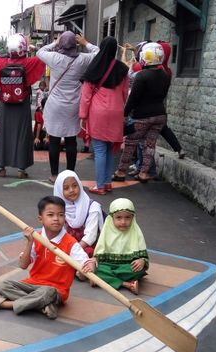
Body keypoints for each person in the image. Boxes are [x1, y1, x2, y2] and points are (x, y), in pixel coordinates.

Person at [0, 196, 96, 320]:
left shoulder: (71, 243)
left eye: (61, 215)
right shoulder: (37, 237)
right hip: (32, 285)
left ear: (65, 218)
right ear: (40, 219)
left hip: (55, 290)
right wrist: (30, 242)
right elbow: (23, 265)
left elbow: (85, 262)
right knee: (2, 286)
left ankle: (8, 304)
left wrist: (90, 265)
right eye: (51, 215)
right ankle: (43, 306)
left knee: (48, 293)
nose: (56, 219)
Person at [37, 31, 99, 183]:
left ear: (61, 44)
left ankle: (54, 175)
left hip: (55, 105)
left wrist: (55, 43)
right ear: (75, 44)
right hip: (73, 104)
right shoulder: (83, 59)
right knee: (71, 140)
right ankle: (71, 175)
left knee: (54, 140)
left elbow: (40, 51)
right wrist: (85, 43)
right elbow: (98, 52)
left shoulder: (54, 58)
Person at [0, 34, 46, 178]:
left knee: (3, 134)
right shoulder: (29, 63)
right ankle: (21, 169)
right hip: (22, 103)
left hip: (6, 104)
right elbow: (43, 58)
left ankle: (2, 167)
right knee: (22, 134)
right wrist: (35, 48)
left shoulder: (0, 63)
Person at [78, 36, 129, 195]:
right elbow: (124, 93)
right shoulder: (122, 69)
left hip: (98, 112)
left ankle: (99, 186)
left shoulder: (95, 67)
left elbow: (86, 95)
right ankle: (107, 183)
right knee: (109, 149)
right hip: (116, 111)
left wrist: (83, 115)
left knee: (99, 149)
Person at [114, 42, 170, 183]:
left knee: (131, 143)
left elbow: (133, 98)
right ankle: (144, 173)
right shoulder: (165, 75)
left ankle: (121, 172)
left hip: (142, 116)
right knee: (150, 145)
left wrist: (125, 114)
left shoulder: (142, 76)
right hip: (160, 114)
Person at [93, 198, 148, 295]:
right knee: (96, 268)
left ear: (133, 218)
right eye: (118, 218)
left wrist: (142, 261)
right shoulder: (107, 232)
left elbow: (144, 258)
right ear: (111, 218)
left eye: (127, 217)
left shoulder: (136, 232)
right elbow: (98, 255)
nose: (123, 222)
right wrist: (95, 260)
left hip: (127, 268)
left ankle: (103, 280)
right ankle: (126, 284)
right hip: (109, 266)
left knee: (138, 269)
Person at [52, 170, 103, 257]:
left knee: (84, 256)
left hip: (89, 247)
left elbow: (91, 236)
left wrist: (71, 251)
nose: (71, 190)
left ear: (79, 185)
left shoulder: (92, 207)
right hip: (71, 245)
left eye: (75, 186)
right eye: (66, 188)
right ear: (60, 191)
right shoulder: (62, 208)